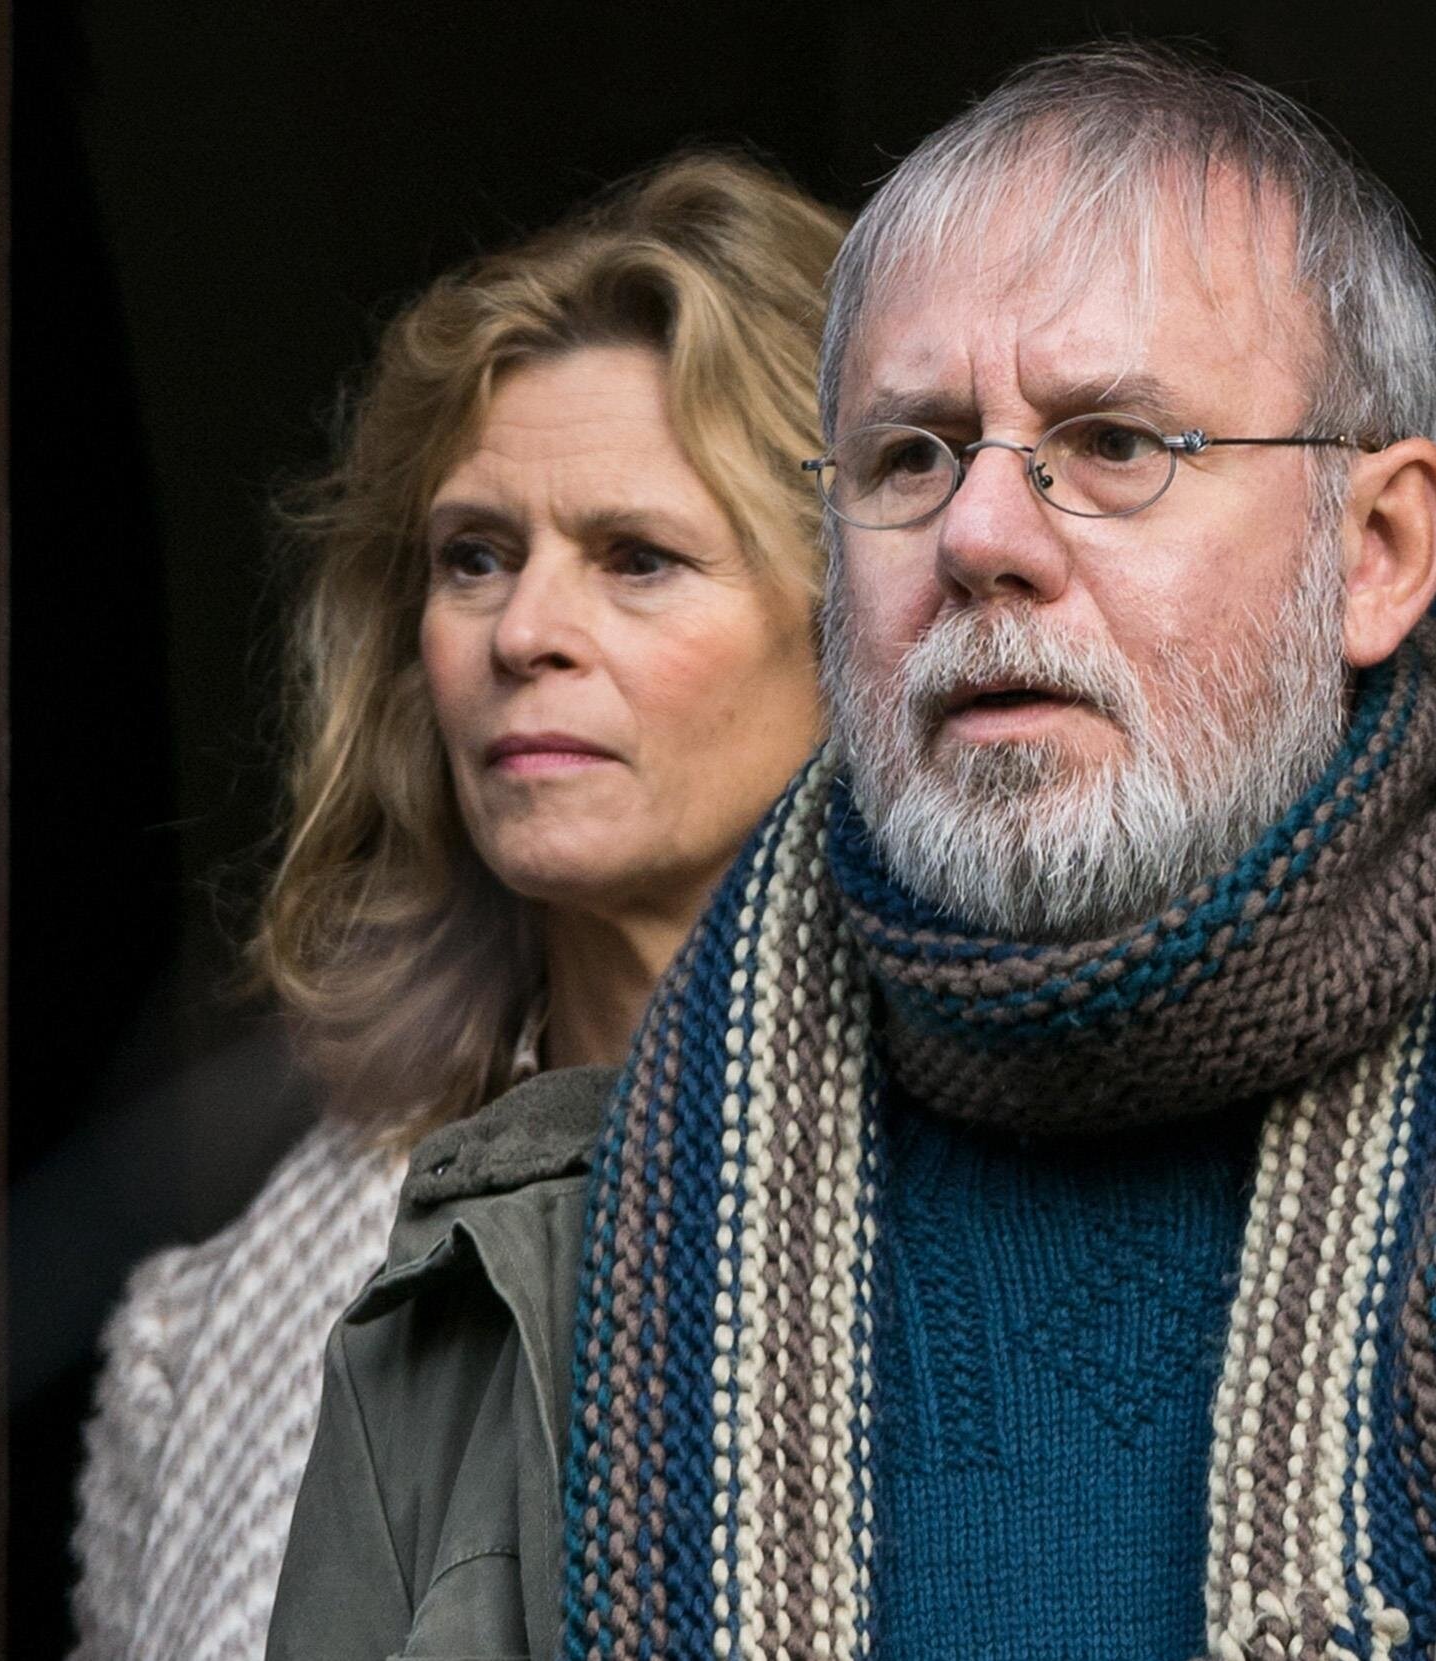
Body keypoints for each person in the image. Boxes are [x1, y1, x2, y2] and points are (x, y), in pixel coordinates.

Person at [269, 43, 1436, 1661]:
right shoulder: (517, 1280)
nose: (978, 532)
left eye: (1111, 444)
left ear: (1376, 549)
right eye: (908, 454)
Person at [69, 154, 845, 1661]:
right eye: (474, 557)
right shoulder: (243, 1301)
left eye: (639, 558)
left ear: (861, 629)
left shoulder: (1007, 1213)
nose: (524, 630)